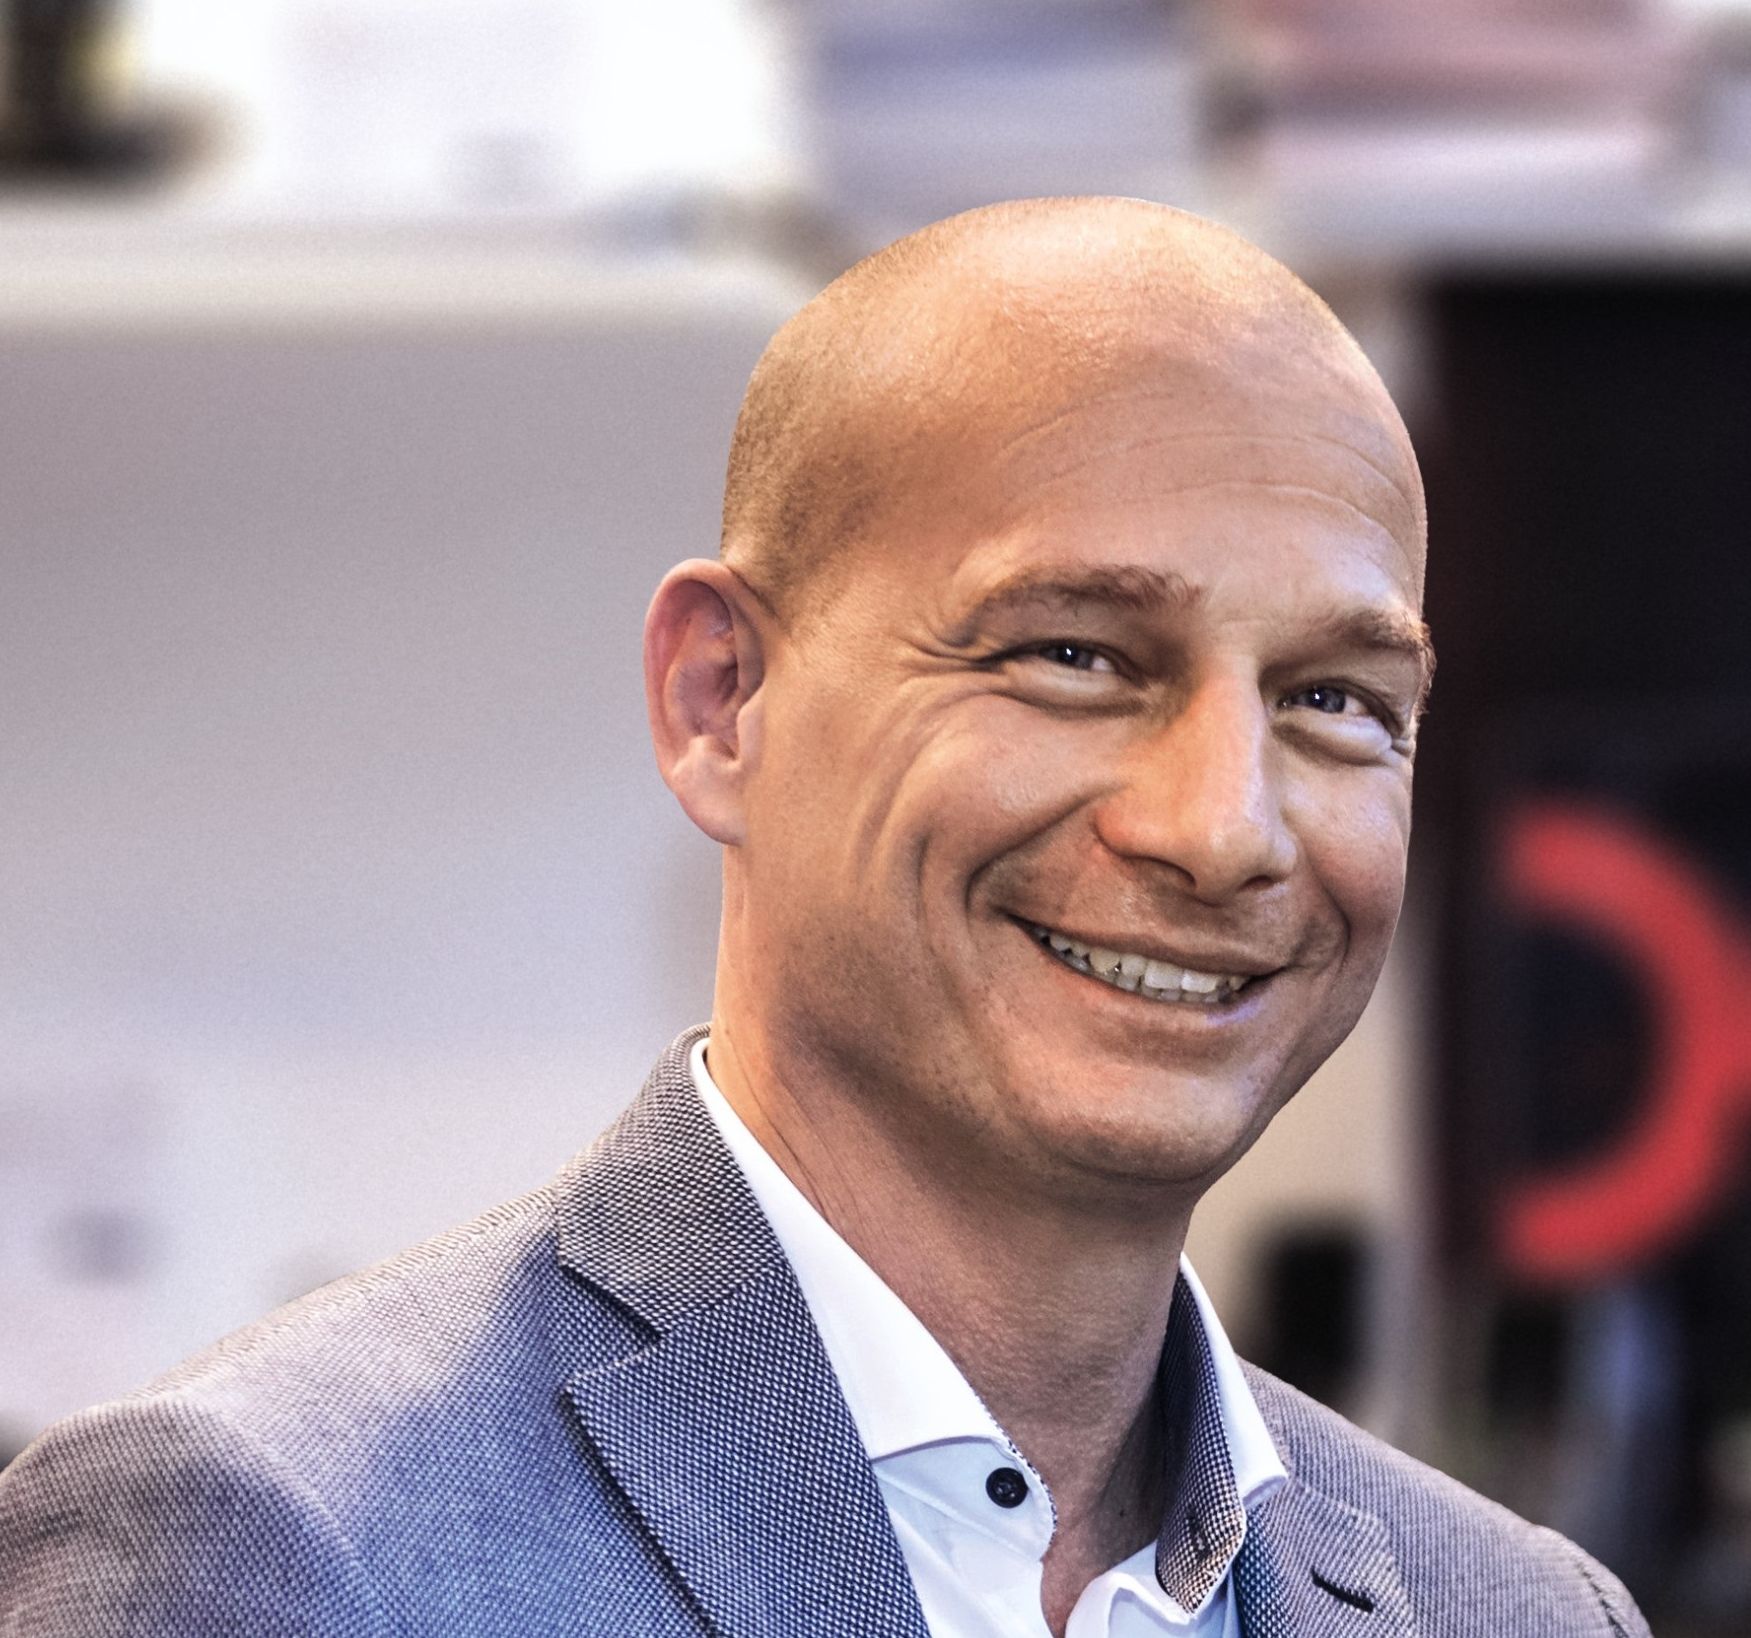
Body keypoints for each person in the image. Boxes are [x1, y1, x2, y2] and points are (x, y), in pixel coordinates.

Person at [0, 198, 1648, 1637]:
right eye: (1074, 654)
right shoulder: (273, 1546)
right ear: (721, 699)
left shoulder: (1521, 1610)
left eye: (1337, 699)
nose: (1224, 827)